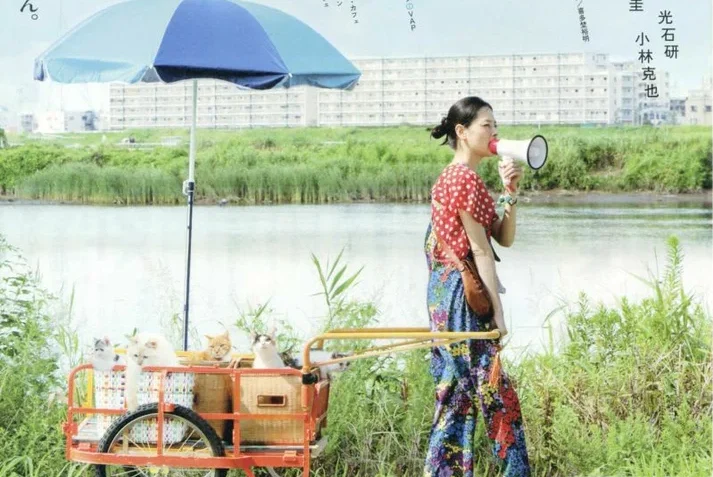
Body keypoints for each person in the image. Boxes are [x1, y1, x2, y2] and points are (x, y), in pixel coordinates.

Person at [423, 96, 530, 477]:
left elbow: (503, 237)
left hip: (447, 296)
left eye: (495, 125)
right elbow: (481, 251)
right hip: (461, 299)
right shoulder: (463, 179)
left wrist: (510, 192)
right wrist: (498, 315)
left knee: (456, 397)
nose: (494, 132)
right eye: (487, 125)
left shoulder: (459, 178)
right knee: (495, 393)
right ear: (462, 132)